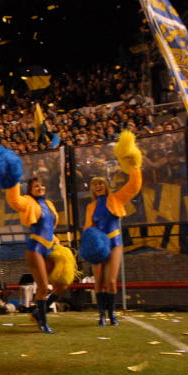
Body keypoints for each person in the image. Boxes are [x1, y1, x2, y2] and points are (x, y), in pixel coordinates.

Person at [82, 130, 143, 326]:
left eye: (101, 184)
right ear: (93, 189)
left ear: (106, 185)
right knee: (98, 281)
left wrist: (133, 165)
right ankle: (101, 314)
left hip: (114, 241)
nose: (98, 186)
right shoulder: (90, 206)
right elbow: (87, 228)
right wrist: (88, 245)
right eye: (95, 185)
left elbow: (134, 185)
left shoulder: (116, 198)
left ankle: (112, 315)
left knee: (111, 281)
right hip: (97, 246)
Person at [2, 175, 70, 334]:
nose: (40, 188)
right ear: (30, 190)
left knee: (62, 285)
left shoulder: (49, 204)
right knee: (43, 286)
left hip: (51, 247)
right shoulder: (28, 201)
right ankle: (43, 323)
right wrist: (13, 180)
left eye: (42, 186)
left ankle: (39, 312)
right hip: (35, 248)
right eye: (36, 187)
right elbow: (15, 201)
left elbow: (50, 228)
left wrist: (56, 242)